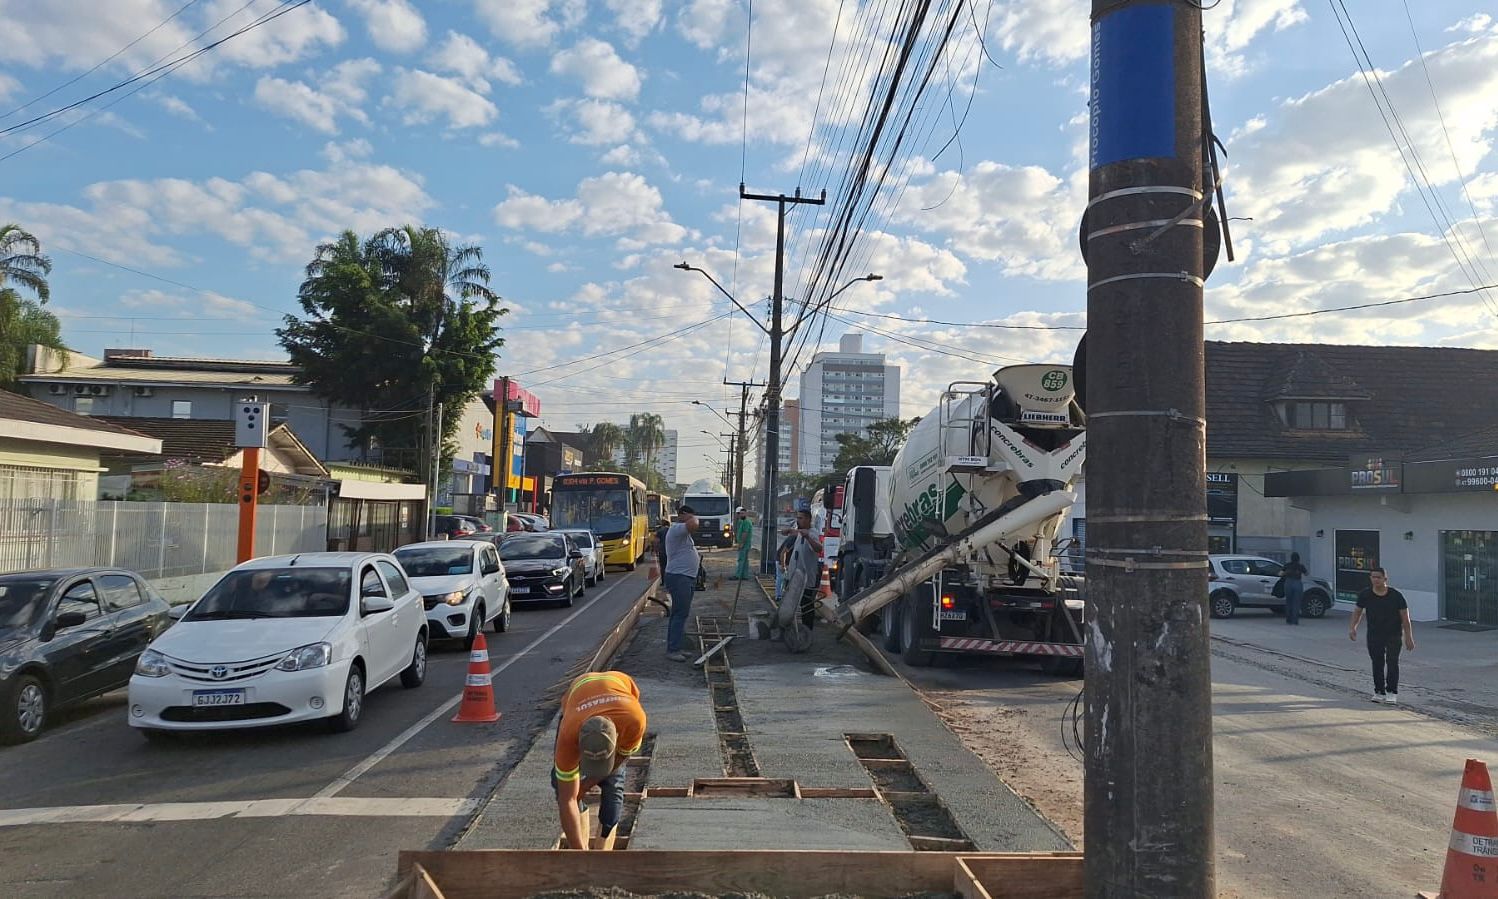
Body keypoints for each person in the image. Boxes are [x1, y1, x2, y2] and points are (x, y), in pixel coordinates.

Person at [552, 670, 646, 851]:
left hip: (619, 685)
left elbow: (622, 755)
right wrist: (580, 856)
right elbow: (567, 799)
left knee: (614, 782)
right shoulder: (568, 735)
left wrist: (586, 785)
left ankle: (604, 848)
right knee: (562, 786)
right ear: (578, 745)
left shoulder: (634, 720)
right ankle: (581, 840)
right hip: (579, 691)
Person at [1348, 567, 1416, 704]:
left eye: (1379, 577)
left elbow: (1405, 617)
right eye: (1373, 577)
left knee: (1392, 662)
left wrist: (1409, 637)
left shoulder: (1396, 596)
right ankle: (1379, 691)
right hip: (1374, 634)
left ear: (1385, 579)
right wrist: (1353, 627)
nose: (1376, 580)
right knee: (1377, 662)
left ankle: (1392, 692)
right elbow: (1357, 612)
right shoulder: (1365, 595)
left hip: (1393, 634)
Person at [662, 505, 701, 662]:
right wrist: (693, 518)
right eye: (691, 515)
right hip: (679, 577)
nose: (693, 518)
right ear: (683, 515)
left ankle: (677, 646)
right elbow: (693, 524)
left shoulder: (682, 532)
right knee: (679, 613)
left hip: (684, 577)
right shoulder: (677, 528)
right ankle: (672, 649)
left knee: (681, 613)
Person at [781, 509, 824, 631]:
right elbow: (796, 532)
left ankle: (807, 632)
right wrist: (789, 531)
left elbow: (818, 548)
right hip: (794, 577)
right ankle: (788, 629)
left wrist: (808, 537)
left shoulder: (812, 533)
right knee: (789, 605)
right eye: (797, 517)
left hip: (806, 580)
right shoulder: (801, 532)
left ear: (808, 519)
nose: (798, 520)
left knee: (806, 607)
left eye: (800, 518)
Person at [1281, 552, 1308, 625]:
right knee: (1296, 602)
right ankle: (1295, 620)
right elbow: (1306, 573)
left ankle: (1288, 619)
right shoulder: (1301, 566)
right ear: (1298, 558)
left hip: (1288, 582)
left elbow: (1280, 573)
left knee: (1288, 601)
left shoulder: (1287, 565)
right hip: (1297, 582)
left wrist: (1287, 572)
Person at [732, 507, 754, 580]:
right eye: (740, 513)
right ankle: (744, 575)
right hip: (744, 543)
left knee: (741, 559)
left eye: (742, 513)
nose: (741, 515)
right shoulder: (742, 521)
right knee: (744, 560)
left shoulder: (746, 522)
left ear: (746, 514)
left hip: (745, 544)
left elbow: (745, 533)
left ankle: (739, 575)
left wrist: (741, 543)